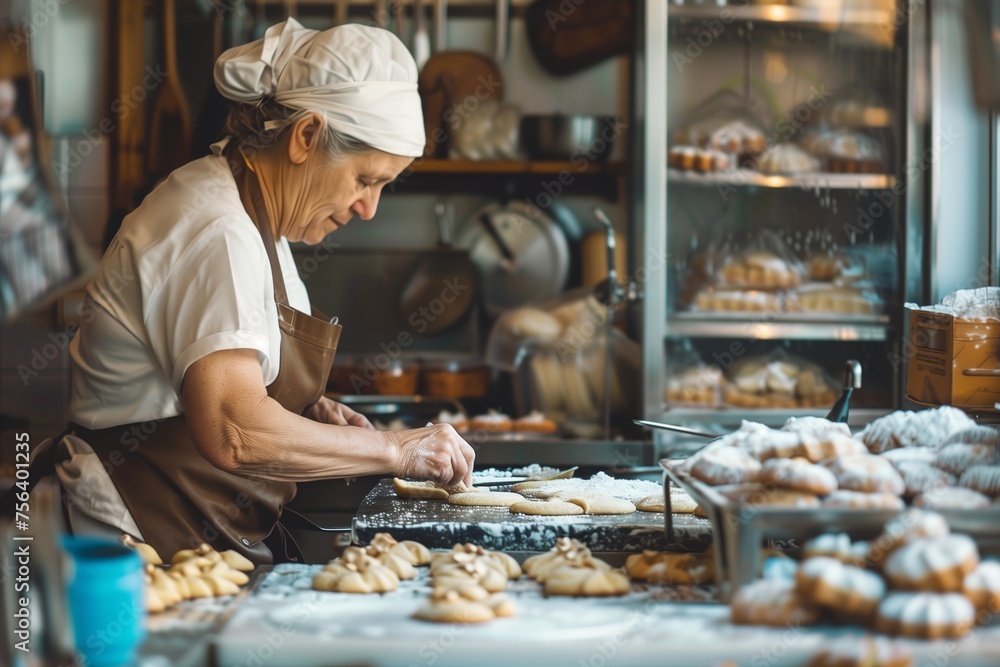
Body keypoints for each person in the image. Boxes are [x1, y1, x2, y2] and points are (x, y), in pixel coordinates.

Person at [43, 19, 475, 564]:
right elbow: (233, 429)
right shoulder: (216, 228)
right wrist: (395, 449)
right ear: (305, 136)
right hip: (139, 543)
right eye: (366, 180)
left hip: (197, 536)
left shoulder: (256, 216)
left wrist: (308, 410)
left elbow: (229, 380)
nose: (370, 208)